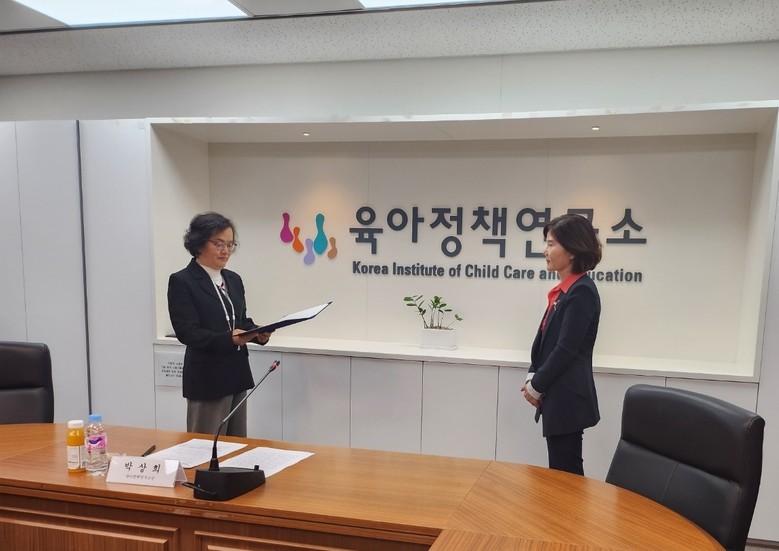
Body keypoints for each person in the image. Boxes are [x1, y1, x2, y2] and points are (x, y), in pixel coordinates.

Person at [167, 212, 272, 437]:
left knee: (237, 446)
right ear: (199, 243)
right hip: (207, 378)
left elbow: (239, 320)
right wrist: (229, 338)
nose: (226, 250)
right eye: (219, 244)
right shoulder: (182, 281)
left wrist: (257, 332)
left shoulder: (233, 279)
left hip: (237, 373)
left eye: (230, 244)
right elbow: (187, 332)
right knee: (206, 447)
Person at [520, 213, 602, 475]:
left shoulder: (582, 291)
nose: (545, 251)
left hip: (568, 397)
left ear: (572, 250)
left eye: (551, 244)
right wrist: (533, 374)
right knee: (560, 474)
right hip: (556, 394)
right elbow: (545, 341)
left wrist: (536, 386)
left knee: (566, 476)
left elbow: (566, 349)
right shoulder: (564, 291)